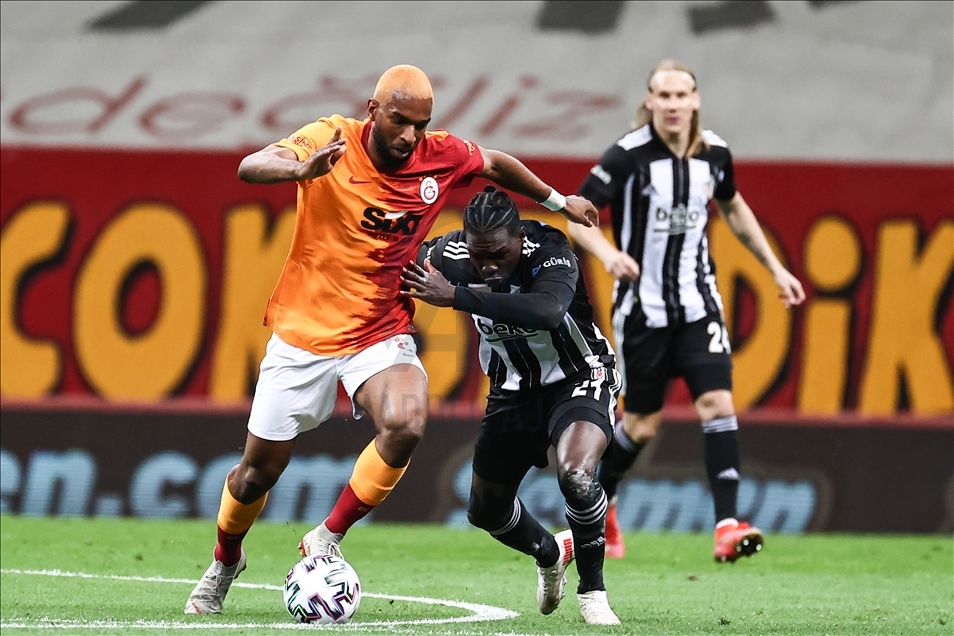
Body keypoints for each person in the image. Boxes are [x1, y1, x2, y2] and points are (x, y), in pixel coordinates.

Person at [184, 64, 599, 615]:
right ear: (373, 110)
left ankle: (327, 537)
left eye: (420, 125)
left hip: (380, 330)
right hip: (304, 332)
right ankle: (225, 560)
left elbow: (496, 163)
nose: (410, 136)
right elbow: (251, 165)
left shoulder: (440, 155)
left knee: (407, 423)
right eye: (400, 121)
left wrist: (557, 202)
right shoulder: (331, 137)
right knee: (255, 474)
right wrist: (298, 169)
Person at [567, 60, 806, 562]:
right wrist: (609, 254)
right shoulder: (627, 156)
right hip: (643, 311)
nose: (673, 104)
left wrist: (775, 268)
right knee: (641, 425)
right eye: (664, 95)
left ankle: (727, 526)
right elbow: (576, 217)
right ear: (649, 101)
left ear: (695, 100)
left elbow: (734, 206)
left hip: (699, 306)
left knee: (717, 403)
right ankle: (599, 505)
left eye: (681, 95)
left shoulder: (715, 154)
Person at [401, 186, 621, 625]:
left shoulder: (551, 249)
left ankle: (593, 592)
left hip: (579, 377)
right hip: (513, 390)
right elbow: (394, 265)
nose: (488, 265)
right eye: (479, 255)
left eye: (499, 253)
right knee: (486, 511)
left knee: (576, 476)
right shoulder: (448, 255)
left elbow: (548, 310)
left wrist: (457, 296)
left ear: (519, 237)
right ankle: (549, 552)